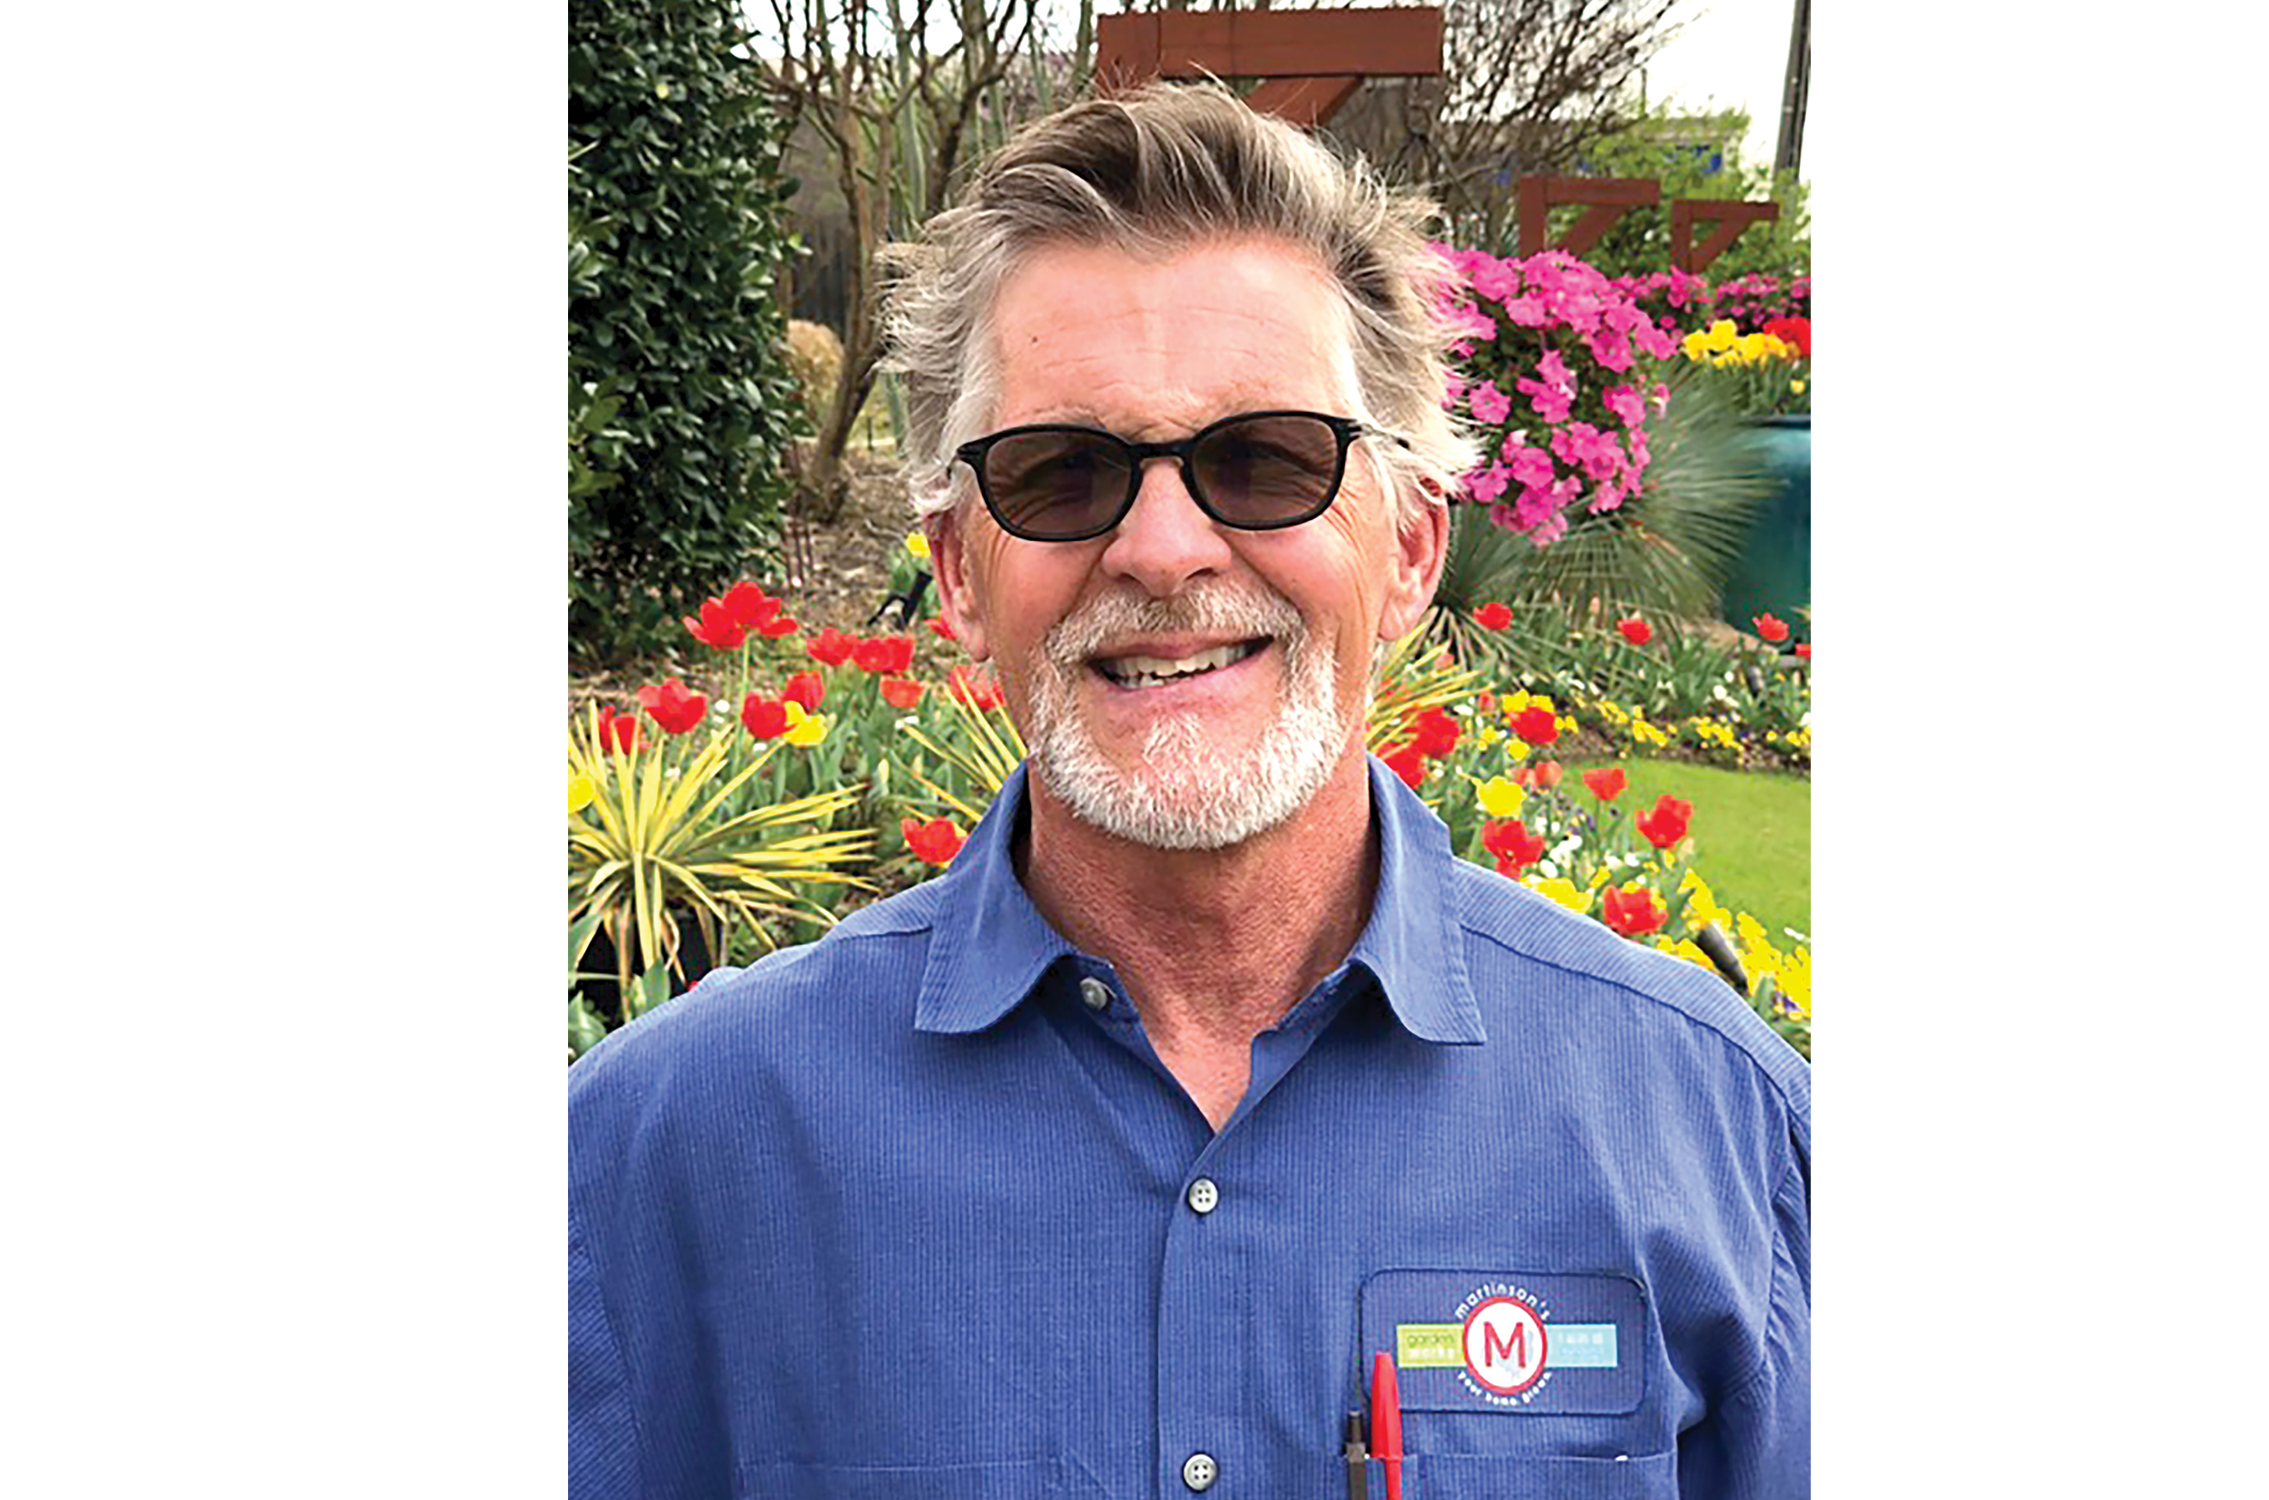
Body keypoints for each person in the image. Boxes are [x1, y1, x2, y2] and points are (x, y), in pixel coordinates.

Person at [570, 84, 1809, 1498]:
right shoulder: (666, 1157)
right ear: (961, 571)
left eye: (1265, 459)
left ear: (1411, 548)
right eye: (1061, 473)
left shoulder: (1711, 1128)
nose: (1163, 549)